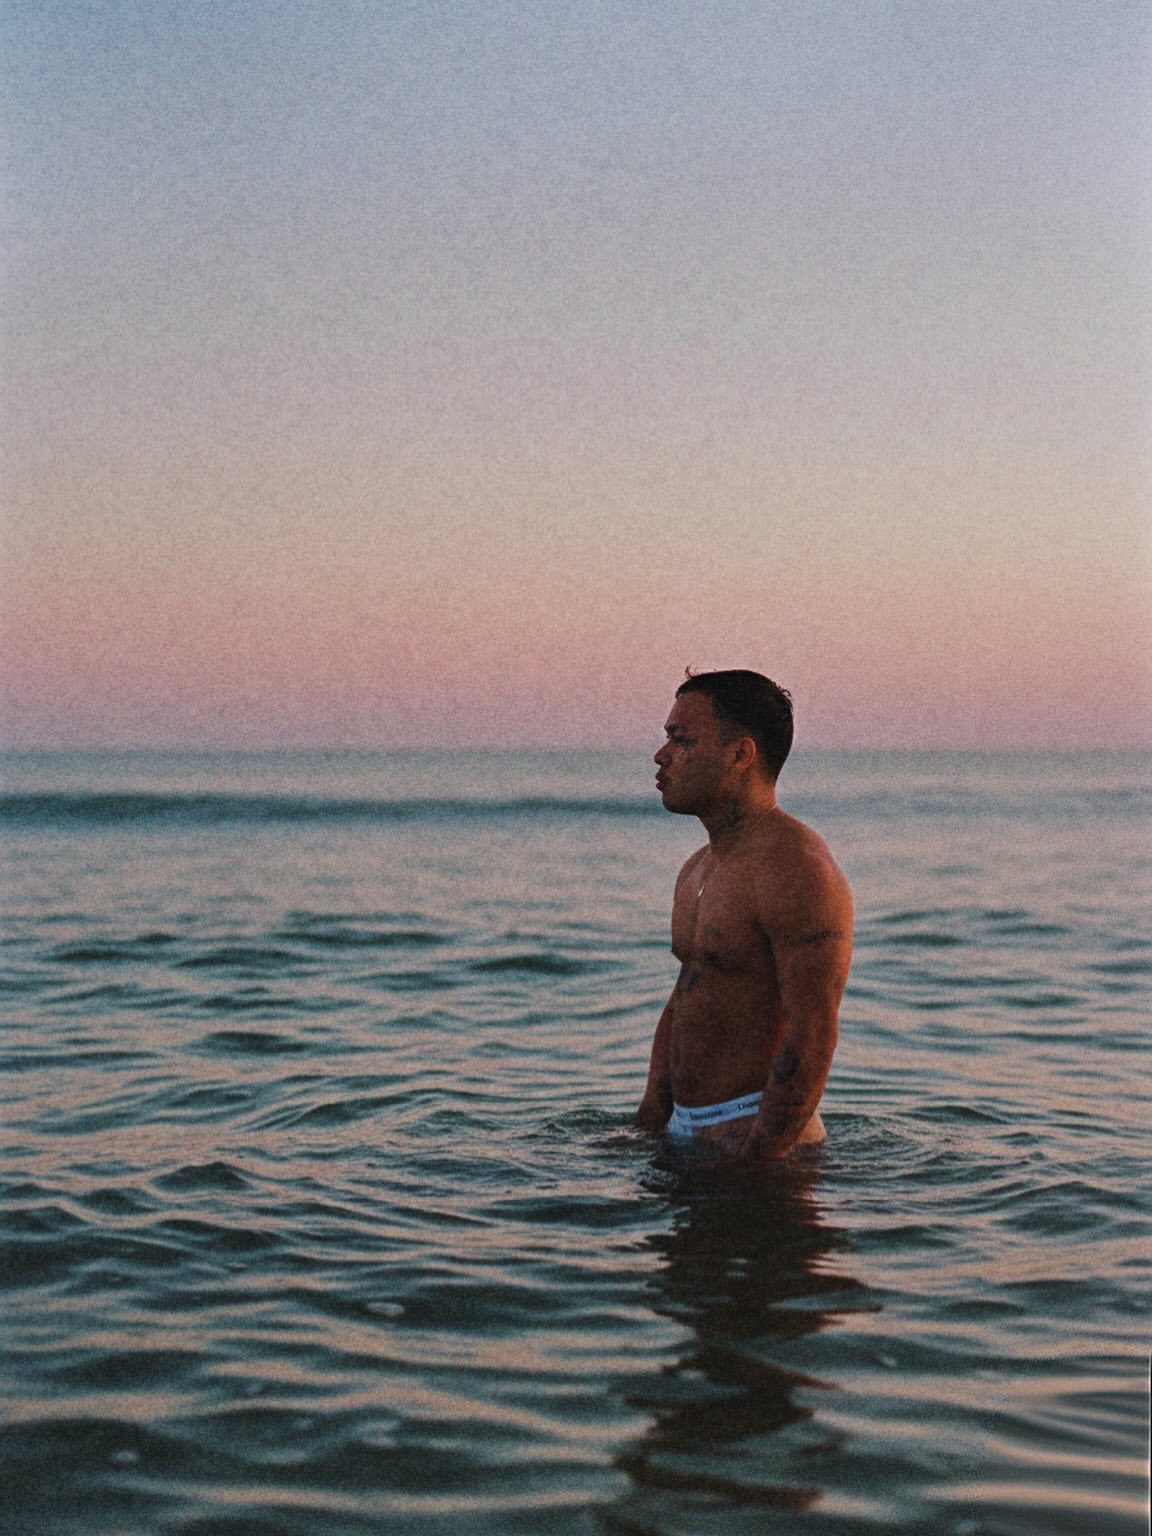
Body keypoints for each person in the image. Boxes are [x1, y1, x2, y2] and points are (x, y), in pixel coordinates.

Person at [635, 670, 853, 1160]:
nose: (661, 755)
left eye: (681, 740)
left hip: (758, 1138)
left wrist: (761, 1157)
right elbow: (687, 992)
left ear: (740, 755)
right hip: (685, 1132)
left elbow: (814, 1031)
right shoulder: (698, 867)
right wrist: (650, 1116)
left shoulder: (797, 868)